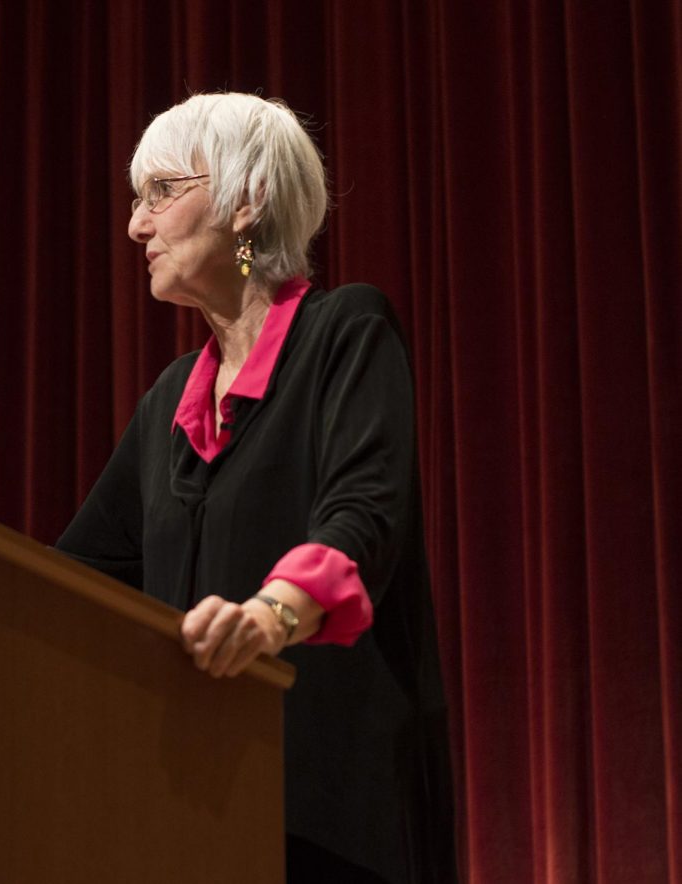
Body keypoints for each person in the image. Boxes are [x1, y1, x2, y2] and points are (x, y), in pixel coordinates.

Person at [55, 92, 456, 884]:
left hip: (329, 817)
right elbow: (71, 578)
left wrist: (272, 615)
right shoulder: (167, 403)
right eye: (137, 201)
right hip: (190, 812)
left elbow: (363, 517)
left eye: (161, 193)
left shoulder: (347, 333)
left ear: (248, 201)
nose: (137, 225)